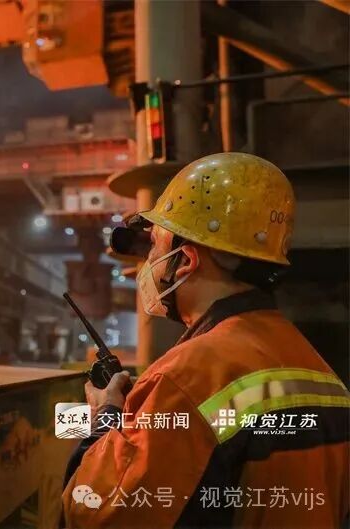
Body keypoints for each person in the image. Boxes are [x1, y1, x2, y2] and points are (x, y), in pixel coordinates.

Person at [61, 152, 350, 528]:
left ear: (185, 261)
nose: (148, 264)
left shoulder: (184, 377)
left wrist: (105, 419)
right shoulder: (320, 371)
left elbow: (90, 512)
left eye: (155, 247)